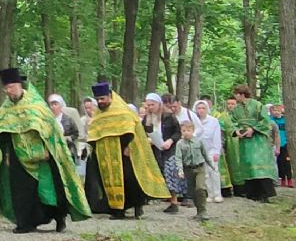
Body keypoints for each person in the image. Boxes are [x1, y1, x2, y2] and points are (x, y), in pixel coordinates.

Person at [0, 68, 86, 233]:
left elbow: (49, 129)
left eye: (11, 87)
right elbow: (2, 133)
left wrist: (48, 149)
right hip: (18, 154)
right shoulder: (6, 108)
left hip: (42, 154)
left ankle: (59, 217)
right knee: (21, 190)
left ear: (19, 85)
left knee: (48, 190)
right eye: (6, 88)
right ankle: (25, 223)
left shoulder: (36, 104)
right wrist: (6, 154)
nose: (8, 91)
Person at [84, 83, 171, 220]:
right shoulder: (98, 115)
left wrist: (127, 146)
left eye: (102, 98)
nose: (100, 102)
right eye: (98, 99)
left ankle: (137, 206)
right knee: (107, 181)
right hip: (105, 154)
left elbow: (130, 130)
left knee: (130, 180)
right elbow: (94, 132)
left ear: (110, 96)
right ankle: (117, 210)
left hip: (124, 152)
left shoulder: (122, 111)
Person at [227, 84, 278, 202]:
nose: (235, 97)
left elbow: (266, 121)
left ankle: (264, 194)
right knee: (248, 164)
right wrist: (237, 131)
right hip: (244, 142)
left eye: (236, 94)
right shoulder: (237, 109)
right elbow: (233, 122)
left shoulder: (257, 105)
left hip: (258, 141)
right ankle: (252, 193)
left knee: (259, 165)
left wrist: (253, 129)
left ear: (241, 94)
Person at [171, 121, 209, 220]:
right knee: (193, 191)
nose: (186, 132)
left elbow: (205, 153)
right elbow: (178, 158)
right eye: (184, 130)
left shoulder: (198, 141)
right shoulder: (180, 143)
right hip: (188, 169)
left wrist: (211, 165)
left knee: (200, 188)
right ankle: (199, 211)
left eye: (188, 130)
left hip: (200, 168)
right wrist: (180, 170)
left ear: (193, 131)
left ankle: (203, 211)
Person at [153, 94, 184, 210]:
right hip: (156, 148)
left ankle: (174, 201)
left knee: (170, 173)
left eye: (153, 105)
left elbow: (178, 132)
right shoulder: (150, 117)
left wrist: (170, 140)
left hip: (169, 149)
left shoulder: (170, 117)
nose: (150, 107)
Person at [193, 99, 225, 204]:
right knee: (205, 174)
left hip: (211, 150)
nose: (201, 110)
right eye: (199, 108)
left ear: (207, 109)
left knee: (214, 172)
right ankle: (210, 194)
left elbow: (216, 138)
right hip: (199, 151)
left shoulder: (213, 121)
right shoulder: (194, 121)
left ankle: (217, 194)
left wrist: (217, 151)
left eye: (203, 108)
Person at [47, 94, 81, 160]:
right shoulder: (48, 120)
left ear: (60, 106)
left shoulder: (68, 119)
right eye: (51, 105)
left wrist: (69, 138)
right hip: (53, 152)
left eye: (55, 104)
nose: (53, 107)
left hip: (68, 151)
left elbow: (76, 133)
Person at [271, 103, 292, 188]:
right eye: (275, 110)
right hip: (276, 144)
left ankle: (289, 179)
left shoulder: (285, 120)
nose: (276, 112)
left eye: (278, 110)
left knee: (287, 162)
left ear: (281, 111)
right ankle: (282, 179)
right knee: (279, 163)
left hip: (285, 144)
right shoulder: (271, 120)